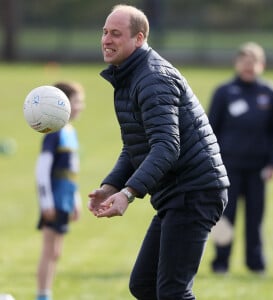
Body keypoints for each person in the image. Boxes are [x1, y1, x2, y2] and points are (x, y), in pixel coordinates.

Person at [88, 4, 229, 300]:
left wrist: (128, 194)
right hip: (178, 193)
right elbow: (136, 145)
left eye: (116, 34)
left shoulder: (153, 78)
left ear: (139, 39)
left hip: (195, 191)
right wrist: (110, 185)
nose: (106, 40)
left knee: (173, 292)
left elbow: (167, 146)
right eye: (104, 32)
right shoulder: (129, 76)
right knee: (144, 285)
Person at [208, 42, 273, 274]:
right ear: (237, 63)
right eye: (245, 62)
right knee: (225, 216)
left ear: (262, 65)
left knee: (255, 218)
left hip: (257, 167)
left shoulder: (268, 93)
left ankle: (255, 263)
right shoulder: (224, 92)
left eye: (254, 63)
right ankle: (221, 263)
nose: (249, 67)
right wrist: (212, 163)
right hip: (228, 166)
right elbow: (210, 129)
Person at [35, 81, 85, 300]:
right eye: (77, 102)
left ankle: (48, 293)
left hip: (65, 198)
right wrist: (46, 203)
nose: (80, 106)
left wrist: (75, 200)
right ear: (62, 104)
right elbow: (42, 170)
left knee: (56, 252)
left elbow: (70, 172)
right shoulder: (54, 134)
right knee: (48, 250)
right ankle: (42, 295)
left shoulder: (70, 132)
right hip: (53, 199)